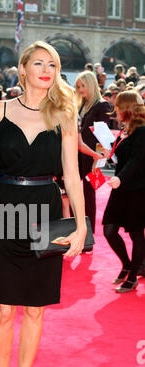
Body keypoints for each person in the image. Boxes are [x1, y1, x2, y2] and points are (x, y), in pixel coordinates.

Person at [0, 41, 87, 367]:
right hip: (3, 212)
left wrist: (81, 224)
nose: (46, 69)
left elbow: (72, 176)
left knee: (35, 309)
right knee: (4, 308)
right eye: (39, 63)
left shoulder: (64, 115)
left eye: (53, 65)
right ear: (23, 68)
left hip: (45, 210)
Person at [102, 91, 145, 292]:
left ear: (126, 109)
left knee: (137, 234)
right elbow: (123, 156)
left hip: (137, 190)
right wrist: (108, 152)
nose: (115, 111)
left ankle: (133, 276)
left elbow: (137, 160)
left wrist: (120, 177)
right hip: (120, 187)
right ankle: (127, 264)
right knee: (109, 231)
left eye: (118, 107)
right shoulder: (125, 129)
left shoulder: (142, 130)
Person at [75, 70, 111, 233]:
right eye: (78, 86)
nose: (80, 89)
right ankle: (78, 227)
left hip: (91, 156)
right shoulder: (83, 104)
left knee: (89, 194)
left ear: (91, 84)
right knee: (75, 192)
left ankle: (89, 233)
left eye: (83, 85)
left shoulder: (102, 105)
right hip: (78, 153)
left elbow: (103, 136)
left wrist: (97, 161)